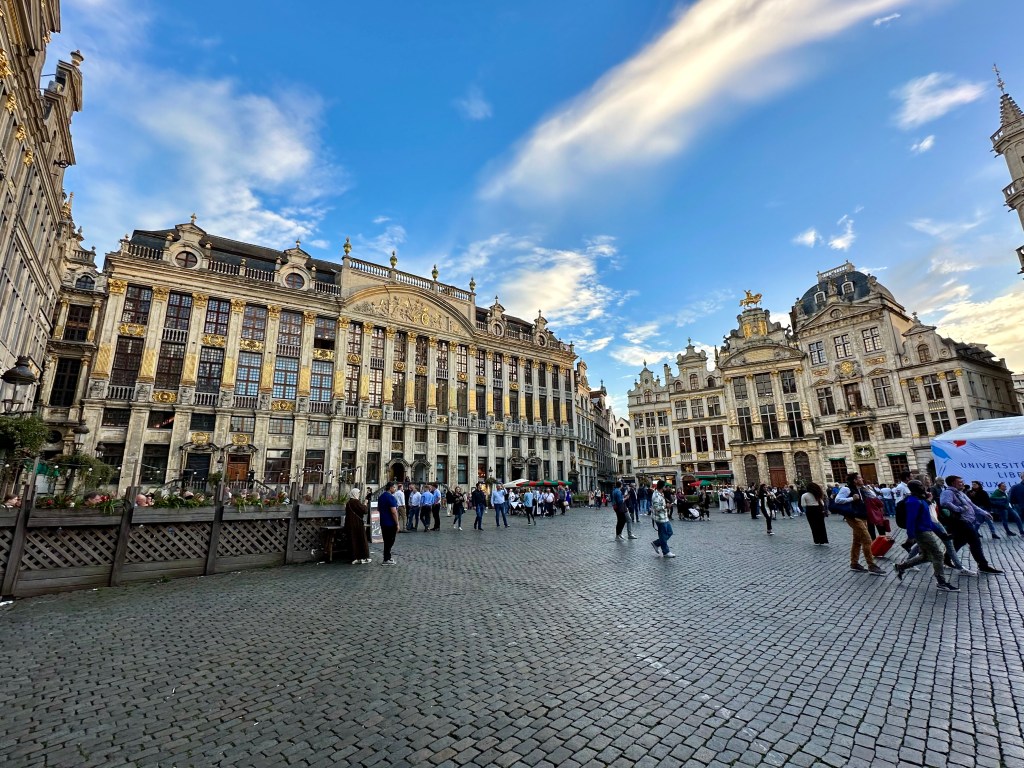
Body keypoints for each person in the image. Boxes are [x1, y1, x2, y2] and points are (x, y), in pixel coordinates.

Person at [894, 480, 959, 592]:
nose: (922, 486)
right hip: (921, 532)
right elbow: (911, 521)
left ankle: (901, 567)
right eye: (920, 485)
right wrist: (910, 536)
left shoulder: (921, 500)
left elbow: (927, 520)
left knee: (927, 556)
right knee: (938, 554)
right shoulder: (912, 501)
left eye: (921, 484)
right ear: (913, 488)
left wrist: (942, 534)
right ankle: (941, 582)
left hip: (925, 530)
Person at [939, 476, 1002, 575]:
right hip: (961, 522)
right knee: (975, 542)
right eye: (960, 482)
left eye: (962, 482)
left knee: (960, 541)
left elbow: (971, 505)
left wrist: (984, 513)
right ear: (952, 483)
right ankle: (983, 565)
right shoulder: (948, 492)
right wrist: (959, 509)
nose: (962, 484)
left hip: (967, 521)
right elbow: (944, 503)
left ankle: (946, 558)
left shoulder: (960, 493)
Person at [832, 472, 885, 575]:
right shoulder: (846, 489)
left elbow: (874, 497)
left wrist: (867, 489)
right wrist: (852, 498)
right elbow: (837, 500)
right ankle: (871, 565)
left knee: (857, 541)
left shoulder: (862, 489)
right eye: (860, 478)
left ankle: (854, 563)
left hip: (862, 516)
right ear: (855, 480)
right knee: (867, 539)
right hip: (853, 517)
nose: (862, 480)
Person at [649, 480, 675, 558]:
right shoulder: (656, 495)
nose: (665, 487)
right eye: (664, 486)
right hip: (660, 518)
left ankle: (656, 543)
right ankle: (666, 552)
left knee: (670, 532)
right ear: (662, 487)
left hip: (665, 517)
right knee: (663, 535)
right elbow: (657, 508)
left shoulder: (661, 494)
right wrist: (666, 506)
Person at [345, 486, 371, 564]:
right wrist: (365, 503)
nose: (359, 495)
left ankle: (354, 557)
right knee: (361, 540)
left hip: (350, 524)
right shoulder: (355, 502)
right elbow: (364, 510)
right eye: (358, 493)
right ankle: (362, 557)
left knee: (353, 540)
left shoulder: (349, 502)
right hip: (357, 524)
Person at [377, 483, 399, 565]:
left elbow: (378, 509)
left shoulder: (381, 496)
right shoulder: (390, 497)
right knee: (390, 541)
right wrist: (397, 523)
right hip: (390, 522)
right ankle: (386, 558)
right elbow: (394, 511)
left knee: (386, 540)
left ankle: (387, 557)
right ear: (390, 488)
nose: (395, 489)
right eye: (394, 487)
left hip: (383, 521)